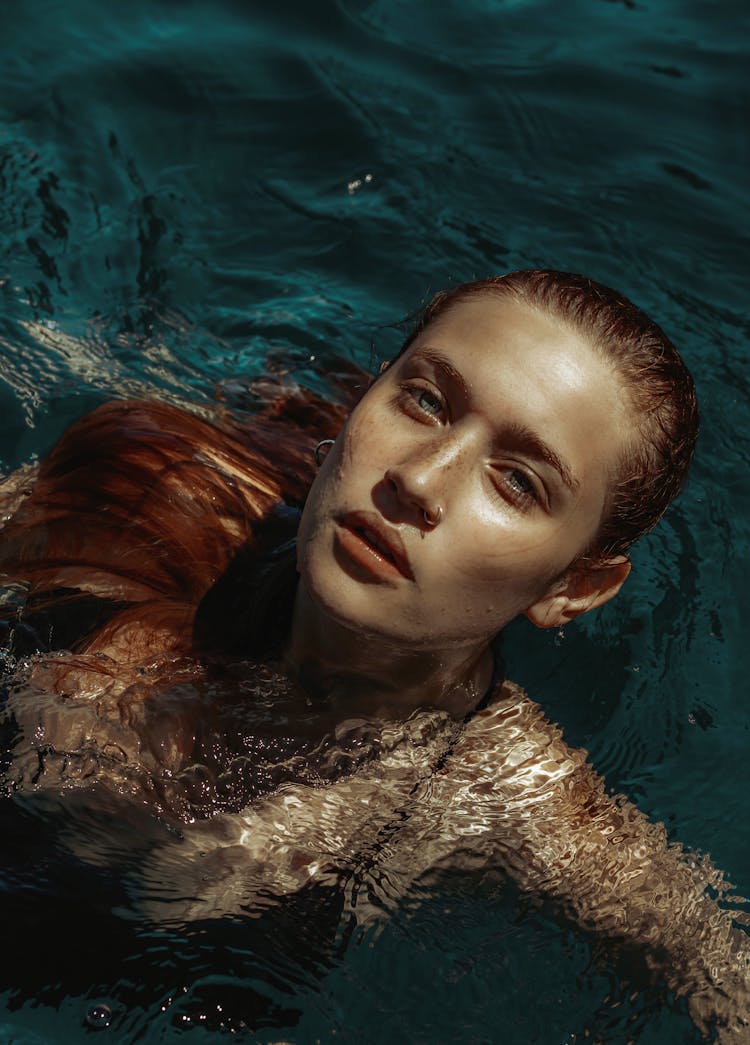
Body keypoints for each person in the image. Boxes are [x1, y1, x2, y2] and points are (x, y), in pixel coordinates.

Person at [0, 270, 748, 1038]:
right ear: (371, 398)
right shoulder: (139, 483)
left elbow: (723, 973)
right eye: (423, 400)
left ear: (574, 587)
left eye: (518, 482)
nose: (418, 478)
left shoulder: (504, 782)